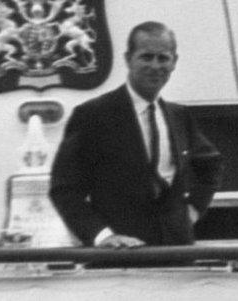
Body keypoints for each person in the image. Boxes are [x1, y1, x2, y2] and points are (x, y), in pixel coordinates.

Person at [49, 21, 223, 248]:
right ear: (128, 59)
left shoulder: (180, 116)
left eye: (163, 58)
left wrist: (192, 211)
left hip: (177, 254)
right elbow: (64, 190)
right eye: (146, 57)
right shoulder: (92, 115)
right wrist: (103, 237)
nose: (155, 65)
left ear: (174, 62)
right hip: (119, 257)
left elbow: (211, 166)